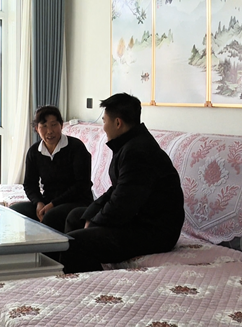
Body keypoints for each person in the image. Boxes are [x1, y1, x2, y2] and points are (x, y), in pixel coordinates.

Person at [60, 93, 184, 273]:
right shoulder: (130, 144)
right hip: (137, 218)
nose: (103, 127)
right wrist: (91, 215)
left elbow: (123, 204)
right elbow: (117, 189)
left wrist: (95, 223)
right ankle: (84, 274)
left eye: (104, 121)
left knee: (73, 244)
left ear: (118, 123)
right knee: (75, 217)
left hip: (154, 230)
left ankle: (92, 284)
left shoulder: (138, 151)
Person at [9, 105, 93, 234]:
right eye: (44, 126)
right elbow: (30, 184)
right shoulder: (34, 152)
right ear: (36, 129)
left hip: (77, 201)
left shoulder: (76, 147)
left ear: (61, 125)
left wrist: (53, 204)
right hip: (48, 201)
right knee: (15, 211)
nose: (49, 131)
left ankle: (50, 248)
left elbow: (82, 185)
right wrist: (38, 203)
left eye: (54, 125)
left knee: (51, 216)